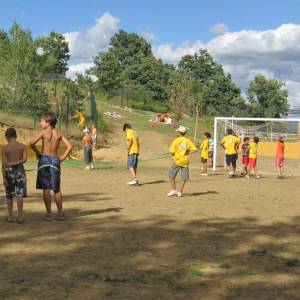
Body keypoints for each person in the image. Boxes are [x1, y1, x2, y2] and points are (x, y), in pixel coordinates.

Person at [30, 112, 72, 221]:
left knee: (46, 188)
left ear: (48, 122)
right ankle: (60, 213)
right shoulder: (58, 133)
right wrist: (62, 158)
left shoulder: (44, 132)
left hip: (44, 159)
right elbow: (69, 147)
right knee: (56, 188)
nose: (40, 123)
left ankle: (49, 214)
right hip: (55, 160)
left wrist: (37, 152)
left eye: (42, 121)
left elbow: (31, 143)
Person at [1, 128, 27, 224]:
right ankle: (20, 217)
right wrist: (16, 163)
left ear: (7, 136)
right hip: (20, 171)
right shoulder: (23, 146)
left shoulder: (4, 148)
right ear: (15, 135)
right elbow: (25, 160)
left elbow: (3, 164)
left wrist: (3, 177)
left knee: (9, 195)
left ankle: (10, 216)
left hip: (9, 172)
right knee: (19, 194)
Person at [168, 126, 197, 197]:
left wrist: (175, 155)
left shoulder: (176, 140)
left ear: (179, 133)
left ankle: (173, 189)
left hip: (177, 160)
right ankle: (180, 192)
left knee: (171, 175)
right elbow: (194, 149)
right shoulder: (188, 140)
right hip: (185, 161)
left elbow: (172, 152)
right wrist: (187, 153)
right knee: (184, 177)